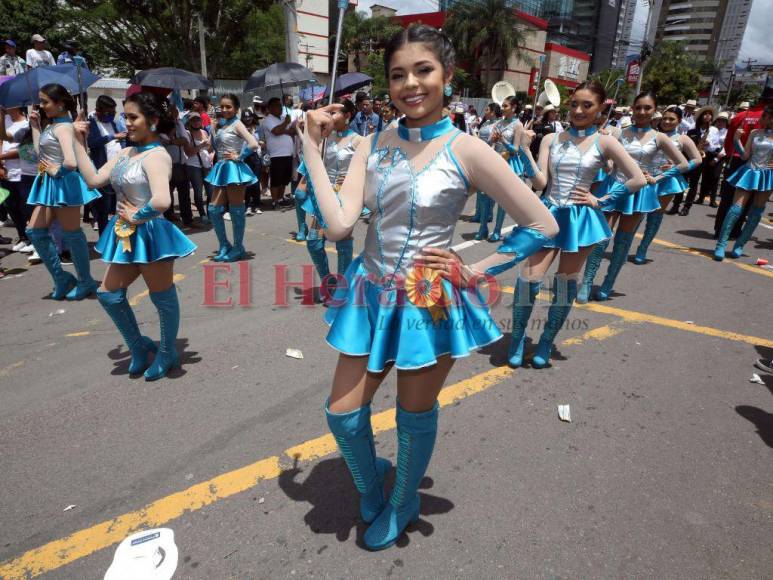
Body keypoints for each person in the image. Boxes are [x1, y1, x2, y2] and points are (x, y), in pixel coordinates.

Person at [300, 24, 558, 551]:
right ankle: (372, 486)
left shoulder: (469, 149)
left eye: (423, 71)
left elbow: (543, 225)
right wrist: (310, 148)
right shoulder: (371, 145)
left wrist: (478, 271)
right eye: (398, 75)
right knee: (343, 414)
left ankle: (402, 502)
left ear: (447, 76)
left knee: (413, 414)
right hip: (371, 295)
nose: (410, 84)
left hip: (429, 300)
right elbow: (340, 227)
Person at [509, 81, 645, 366]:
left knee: (564, 285)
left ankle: (546, 341)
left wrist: (603, 200)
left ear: (600, 108)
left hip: (580, 219)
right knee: (527, 280)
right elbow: (541, 182)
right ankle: (518, 338)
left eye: (587, 105)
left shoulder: (606, 141)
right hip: (548, 213)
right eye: (574, 104)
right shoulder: (550, 139)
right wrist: (522, 149)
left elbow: (637, 178)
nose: (579, 110)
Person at [72, 91, 196, 380]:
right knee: (108, 294)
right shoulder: (126, 153)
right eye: (125, 117)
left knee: (161, 297)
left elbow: (162, 201)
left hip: (151, 233)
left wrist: (136, 216)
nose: (126, 122)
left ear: (152, 121)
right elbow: (93, 180)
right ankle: (138, 346)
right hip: (126, 233)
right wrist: (78, 143)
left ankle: (166, 352)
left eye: (133, 117)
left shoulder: (158, 156)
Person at [579, 91, 689, 303]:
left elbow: (684, 163)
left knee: (623, 240)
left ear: (654, 111)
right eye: (638, 107)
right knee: (601, 237)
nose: (641, 112)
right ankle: (586, 282)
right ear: (632, 108)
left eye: (647, 108)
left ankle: (608, 284)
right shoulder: (619, 133)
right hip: (612, 187)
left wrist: (658, 177)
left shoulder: (660, 137)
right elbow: (607, 160)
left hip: (638, 193)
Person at [25, 83, 101, 301]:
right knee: (34, 231)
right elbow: (40, 153)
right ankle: (61, 278)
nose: (41, 105)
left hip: (64, 183)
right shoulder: (53, 125)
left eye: (45, 101)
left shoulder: (65, 127)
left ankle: (85, 281)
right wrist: (36, 126)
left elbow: (70, 161)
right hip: (50, 182)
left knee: (72, 233)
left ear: (59, 104)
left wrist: (54, 171)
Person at [295, 98, 360, 287]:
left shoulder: (358, 140)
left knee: (342, 241)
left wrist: (350, 181)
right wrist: (304, 182)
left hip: (346, 197)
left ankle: (343, 286)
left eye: (335, 112)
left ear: (347, 116)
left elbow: (367, 169)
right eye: (329, 112)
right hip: (324, 194)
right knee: (314, 242)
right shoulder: (325, 139)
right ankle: (327, 282)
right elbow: (315, 162)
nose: (330, 115)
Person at [632, 105, 702, 264]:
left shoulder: (682, 138)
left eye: (671, 119)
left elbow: (697, 159)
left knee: (655, 215)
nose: (667, 122)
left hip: (667, 181)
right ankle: (624, 247)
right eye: (664, 118)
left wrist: (676, 167)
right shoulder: (652, 135)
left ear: (679, 121)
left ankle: (642, 248)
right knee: (637, 213)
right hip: (646, 177)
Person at [713, 105, 772, 261]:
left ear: (770, 119)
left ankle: (739, 245)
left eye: (764, 116)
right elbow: (745, 156)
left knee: (756, 213)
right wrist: (736, 139)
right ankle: (721, 244)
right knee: (735, 209)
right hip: (749, 171)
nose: (760, 118)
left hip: (767, 176)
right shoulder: (754, 133)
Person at [205, 93, 259, 262]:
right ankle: (224, 244)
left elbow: (253, 143)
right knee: (213, 210)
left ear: (236, 109)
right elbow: (213, 147)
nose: (225, 109)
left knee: (236, 210)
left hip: (233, 169)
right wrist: (213, 131)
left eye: (228, 107)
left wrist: (240, 156)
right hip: (221, 167)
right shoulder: (223, 124)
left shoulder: (237, 124)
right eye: (222, 106)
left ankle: (238, 247)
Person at [485, 95, 529, 241]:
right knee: (487, 196)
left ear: (514, 108)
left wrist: (502, 139)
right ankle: (483, 227)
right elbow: (490, 141)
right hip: (495, 160)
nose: (502, 108)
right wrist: (493, 138)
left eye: (505, 106)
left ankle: (497, 230)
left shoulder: (518, 125)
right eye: (502, 106)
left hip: (508, 162)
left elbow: (515, 150)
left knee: (503, 200)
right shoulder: (499, 123)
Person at [87, 95, 127, 235]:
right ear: (98, 110)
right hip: (102, 170)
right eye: (108, 112)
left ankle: (119, 235)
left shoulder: (113, 124)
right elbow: (92, 143)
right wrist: (113, 137)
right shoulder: (92, 123)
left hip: (118, 169)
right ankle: (104, 238)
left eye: (113, 112)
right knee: (103, 207)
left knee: (119, 207)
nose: (111, 115)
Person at [0, 106, 37, 254]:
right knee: (12, 207)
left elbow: (25, 151)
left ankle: (36, 240)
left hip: (23, 173)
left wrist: (1, 157)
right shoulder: (8, 121)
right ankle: (24, 237)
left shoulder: (27, 124)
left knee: (27, 209)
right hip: (6, 172)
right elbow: (3, 139)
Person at [675, 104, 717, 216]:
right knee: (682, 180)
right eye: (705, 114)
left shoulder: (713, 130)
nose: (707, 116)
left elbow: (715, 147)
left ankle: (687, 206)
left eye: (710, 115)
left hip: (701, 158)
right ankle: (676, 205)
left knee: (693, 183)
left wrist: (709, 144)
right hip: (688, 156)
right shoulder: (693, 127)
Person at [159, 104, 194, 227]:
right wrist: (173, 141)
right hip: (168, 164)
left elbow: (185, 140)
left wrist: (172, 141)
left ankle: (188, 219)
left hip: (182, 162)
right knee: (167, 193)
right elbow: (163, 140)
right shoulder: (162, 124)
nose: (175, 113)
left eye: (176, 111)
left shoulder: (179, 123)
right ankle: (169, 217)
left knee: (184, 194)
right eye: (172, 110)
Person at [261, 97, 296, 209]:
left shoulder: (283, 118)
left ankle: (281, 198)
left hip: (288, 153)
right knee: (276, 180)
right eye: (277, 105)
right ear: (270, 108)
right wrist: (285, 125)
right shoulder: (267, 120)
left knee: (285, 179)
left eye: (280, 105)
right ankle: (275, 201)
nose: (280, 107)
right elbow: (276, 131)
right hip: (277, 155)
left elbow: (293, 131)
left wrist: (284, 126)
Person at [471, 102, 500, 236]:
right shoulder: (485, 123)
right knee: (479, 189)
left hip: (490, 157)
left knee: (488, 191)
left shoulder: (497, 125)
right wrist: (472, 129)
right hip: (480, 156)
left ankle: (488, 214)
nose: (485, 111)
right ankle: (478, 213)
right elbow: (479, 141)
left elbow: (490, 142)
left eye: (487, 109)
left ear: (493, 111)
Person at [183, 111, 213, 223]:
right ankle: (202, 214)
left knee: (211, 191)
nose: (196, 122)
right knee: (198, 192)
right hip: (193, 165)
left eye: (198, 120)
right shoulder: (187, 134)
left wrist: (208, 145)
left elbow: (209, 148)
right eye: (193, 120)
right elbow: (189, 152)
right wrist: (201, 145)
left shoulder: (204, 132)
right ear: (189, 122)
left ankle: (210, 213)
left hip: (206, 165)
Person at [697, 110, 729, 207]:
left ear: (726, 122)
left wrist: (717, 159)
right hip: (708, 154)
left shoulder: (728, 132)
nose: (721, 122)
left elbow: (726, 147)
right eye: (719, 120)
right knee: (705, 176)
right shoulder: (711, 129)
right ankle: (701, 198)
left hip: (720, 155)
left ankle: (713, 200)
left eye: (723, 121)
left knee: (715, 178)